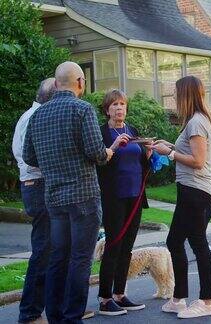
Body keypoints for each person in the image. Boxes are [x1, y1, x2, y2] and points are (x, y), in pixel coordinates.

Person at [23, 61, 113, 323]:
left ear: (57, 82)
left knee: (57, 258)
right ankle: (73, 316)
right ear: (80, 82)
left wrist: (54, 163)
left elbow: (29, 156)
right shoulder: (82, 109)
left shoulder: (38, 114)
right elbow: (97, 152)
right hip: (83, 195)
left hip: (53, 197)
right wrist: (107, 152)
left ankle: (55, 316)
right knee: (80, 259)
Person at [152, 76, 211, 319]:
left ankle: (207, 301)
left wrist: (168, 152)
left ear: (186, 95)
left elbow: (198, 162)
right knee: (174, 241)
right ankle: (179, 298)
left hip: (196, 191)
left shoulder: (197, 122)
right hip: (190, 190)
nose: (175, 99)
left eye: (178, 94)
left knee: (198, 244)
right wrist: (168, 145)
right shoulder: (195, 121)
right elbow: (191, 151)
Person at [97, 89, 152, 316]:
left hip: (135, 195)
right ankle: (104, 298)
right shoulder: (102, 133)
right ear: (107, 109)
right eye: (115, 105)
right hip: (114, 197)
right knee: (114, 245)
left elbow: (141, 164)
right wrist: (115, 146)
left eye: (122, 104)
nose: (119, 108)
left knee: (128, 247)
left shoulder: (133, 130)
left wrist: (148, 155)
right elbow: (99, 163)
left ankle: (120, 293)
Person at [12, 78, 55, 324]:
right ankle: (30, 313)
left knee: (50, 249)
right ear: (51, 95)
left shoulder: (34, 115)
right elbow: (30, 157)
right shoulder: (34, 118)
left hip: (37, 185)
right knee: (43, 250)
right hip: (37, 185)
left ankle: (48, 308)